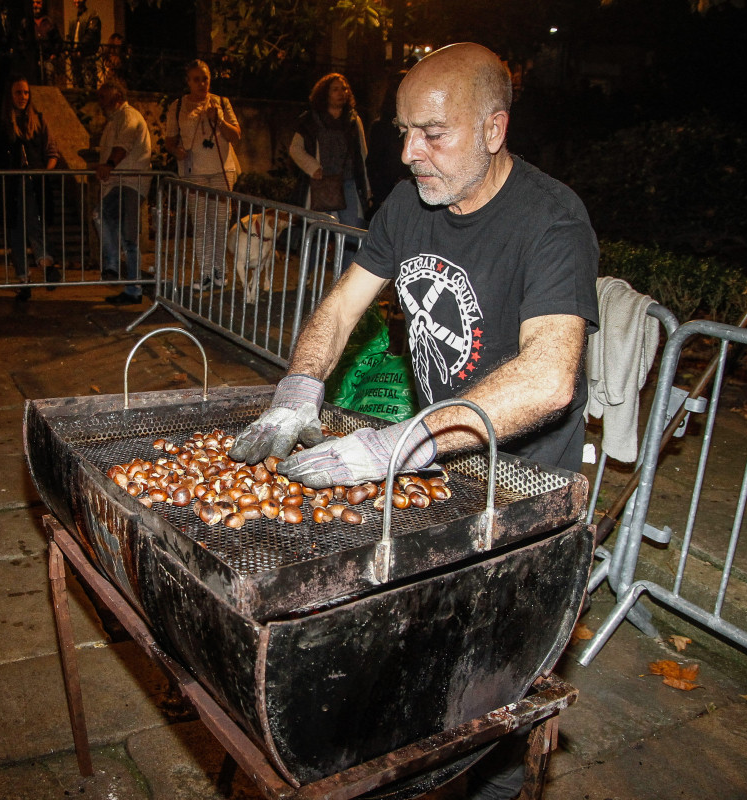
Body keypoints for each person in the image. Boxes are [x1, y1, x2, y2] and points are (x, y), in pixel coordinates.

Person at [229, 45, 599, 797]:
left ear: (494, 128)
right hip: (430, 465)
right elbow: (339, 308)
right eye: (402, 131)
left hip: (518, 483)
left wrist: (398, 442)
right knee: (411, 665)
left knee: (489, 698)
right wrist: (298, 388)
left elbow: (549, 376)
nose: (407, 154)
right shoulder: (407, 206)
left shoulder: (551, 219)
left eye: (432, 134)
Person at [0, 76, 61, 302]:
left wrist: (45, 171)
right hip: (10, 184)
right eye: (18, 92)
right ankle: (25, 278)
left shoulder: (38, 120)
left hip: (33, 182)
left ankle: (45, 263)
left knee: (34, 222)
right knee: (15, 229)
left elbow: (52, 151)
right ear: (10, 95)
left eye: (25, 92)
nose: (23, 97)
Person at [163, 59, 242, 292]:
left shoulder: (221, 103)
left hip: (221, 169)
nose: (202, 83)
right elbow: (169, 138)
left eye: (205, 78)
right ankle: (205, 272)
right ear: (188, 81)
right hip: (193, 171)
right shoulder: (177, 106)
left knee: (219, 222)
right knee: (200, 224)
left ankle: (220, 271)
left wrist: (218, 119)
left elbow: (235, 135)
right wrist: (176, 151)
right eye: (196, 79)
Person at [94, 79, 152, 307]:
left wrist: (108, 164)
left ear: (116, 98)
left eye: (103, 98)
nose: (100, 102)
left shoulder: (128, 116)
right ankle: (131, 287)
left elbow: (124, 145)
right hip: (122, 184)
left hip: (129, 183)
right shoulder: (115, 120)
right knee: (125, 234)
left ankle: (113, 268)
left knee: (105, 218)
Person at [289, 72, 370, 230]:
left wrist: (366, 186)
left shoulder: (353, 120)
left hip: (348, 181)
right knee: (318, 230)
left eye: (344, 89)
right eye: (335, 89)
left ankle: (348, 256)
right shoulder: (311, 120)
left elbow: (362, 153)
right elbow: (295, 148)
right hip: (322, 183)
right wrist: (313, 167)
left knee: (352, 229)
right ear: (325, 93)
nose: (341, 93)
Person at [365, 70, 409, 218]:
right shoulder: (381, 127)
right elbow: (373, 164)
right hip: (388, 193)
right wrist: (381, 196)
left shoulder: (420, 126)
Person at [66, 0, 100, 89]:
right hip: (75, 56)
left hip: (87, 55)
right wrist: (70, 49)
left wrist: (80, 48)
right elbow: (70, 35)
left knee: (89, 85)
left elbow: (91, 35)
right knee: (77, 84)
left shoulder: (92, 15)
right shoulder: (73, 18)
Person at [29, 0, 63, 86]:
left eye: (38, 3)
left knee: (49, 82)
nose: (35, 5)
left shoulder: (49, 23)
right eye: (33, 3)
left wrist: (54, 54)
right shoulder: (27, 22)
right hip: (32, 61)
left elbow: (58, 40)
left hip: (47, 59)